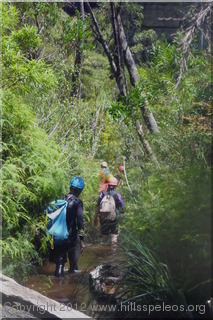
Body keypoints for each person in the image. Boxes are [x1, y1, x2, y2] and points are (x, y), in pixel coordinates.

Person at [49, 176, 85, 277]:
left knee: (60, 263)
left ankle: (57, 283)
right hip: (71, 237)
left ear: (70, 187)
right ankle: (71, 286)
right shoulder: (77, 202)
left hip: (58, 236)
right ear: (80, 190)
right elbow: (80, 221)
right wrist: (82, 239)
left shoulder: (61, 200)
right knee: (73, 266)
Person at [94, 177, 124, 244]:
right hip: (114, 218)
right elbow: (122, 208)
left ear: (108, 185)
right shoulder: (117, 195)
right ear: (115, 186)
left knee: (104, 235)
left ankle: (103, 251)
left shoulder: (102, 194)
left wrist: (95, 218)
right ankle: (113, 252)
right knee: (114, 235)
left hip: (103, 218)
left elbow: (98, 206)